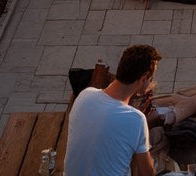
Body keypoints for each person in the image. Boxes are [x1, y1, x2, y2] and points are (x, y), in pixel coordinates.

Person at [64, 43, 162, 176]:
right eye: (150, 79)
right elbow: (147, 173)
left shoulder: (85, 95)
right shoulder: (136, 119)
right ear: (144, 78)